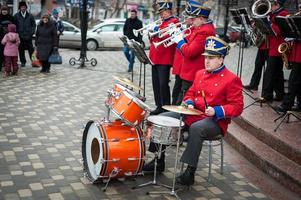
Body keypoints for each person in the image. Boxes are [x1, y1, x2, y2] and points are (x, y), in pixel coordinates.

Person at [143, 36, 244, 186]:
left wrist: (217, 111)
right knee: (162, 118)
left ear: (221, 59)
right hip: (192, 114)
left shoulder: (231, 79)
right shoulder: (200, 73)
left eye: (211, 58)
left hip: (214, 121)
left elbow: (237, 107)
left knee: (197, 129)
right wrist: (189, 102)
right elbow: (190, 93)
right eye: (205, 57)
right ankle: (159, 160)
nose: (206, 61)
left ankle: (190, 172)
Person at [170, 0, 215, 105]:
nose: (192, 21)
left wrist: (180, 41)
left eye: (194, 19)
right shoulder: (200, 27)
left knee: (184, 104)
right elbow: (190, 43)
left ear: (201, 18)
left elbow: (190, 52)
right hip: (188, 73)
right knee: (179, 101)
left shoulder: (205, 31)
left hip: (192, 74)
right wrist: (179, 36)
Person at [148, 0, 179, 115]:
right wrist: (151, 32)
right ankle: (159, 105)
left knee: (163, 84)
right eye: (160, 12)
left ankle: (165, 106)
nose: (161, 14)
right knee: (156, 83)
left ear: (168, 11)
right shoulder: (161, 22)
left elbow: (166, 36)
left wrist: (157, 31)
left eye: (163, 12)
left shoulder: (174, 22)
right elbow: (154, 39)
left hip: (164, 59)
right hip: (155, 58)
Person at [262, 0, 288, 101]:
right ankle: (279, 94)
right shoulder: (274, 13)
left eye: (272, 5)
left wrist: (269, 22)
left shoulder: (283, 14)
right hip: (273, 46)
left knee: (270, 71)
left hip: (278, 46)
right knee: (277, 72)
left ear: (277, 5)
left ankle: (267, 95)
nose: (270, 8)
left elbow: (279, 30)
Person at [171, 16, 193, 105]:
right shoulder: (186, 30)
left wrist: (180, 39)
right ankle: (173, 106)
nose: (185, 19)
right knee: (176, 88)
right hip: (180, 64)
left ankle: (175, 108)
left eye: (187, 18)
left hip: (185, 65)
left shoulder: (191, 31)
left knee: (181, 90)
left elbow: (189, 49)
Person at [243, 23, 268, 91]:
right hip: (262, 45)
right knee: (258, 65)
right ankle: (254, 85)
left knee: (270, 70)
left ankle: (272, 90)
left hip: (269, 46)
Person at [14, 1, 36, 67]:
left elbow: (34, 25)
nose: (23, 8)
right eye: (21, 7)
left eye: (24, 7)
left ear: (26, 8)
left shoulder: (30, 16)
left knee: (31, 50)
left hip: (28, 36)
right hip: (20, 36)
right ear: (20, 8)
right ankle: (23, 62)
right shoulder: (16, 16)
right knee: (21, 50)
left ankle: (34, 62)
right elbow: (14, 25)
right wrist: (17, 33)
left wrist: (31, 33)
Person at [0, 6, 15, 72]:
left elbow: (14, 26)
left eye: (5, 10)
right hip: (0, 36)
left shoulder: (11, 17)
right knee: (0, 51)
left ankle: (8, 66)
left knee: (8, 52)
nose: (4, 11)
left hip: (9, 37)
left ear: (8, 11)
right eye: (3, 10)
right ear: (1, 11)